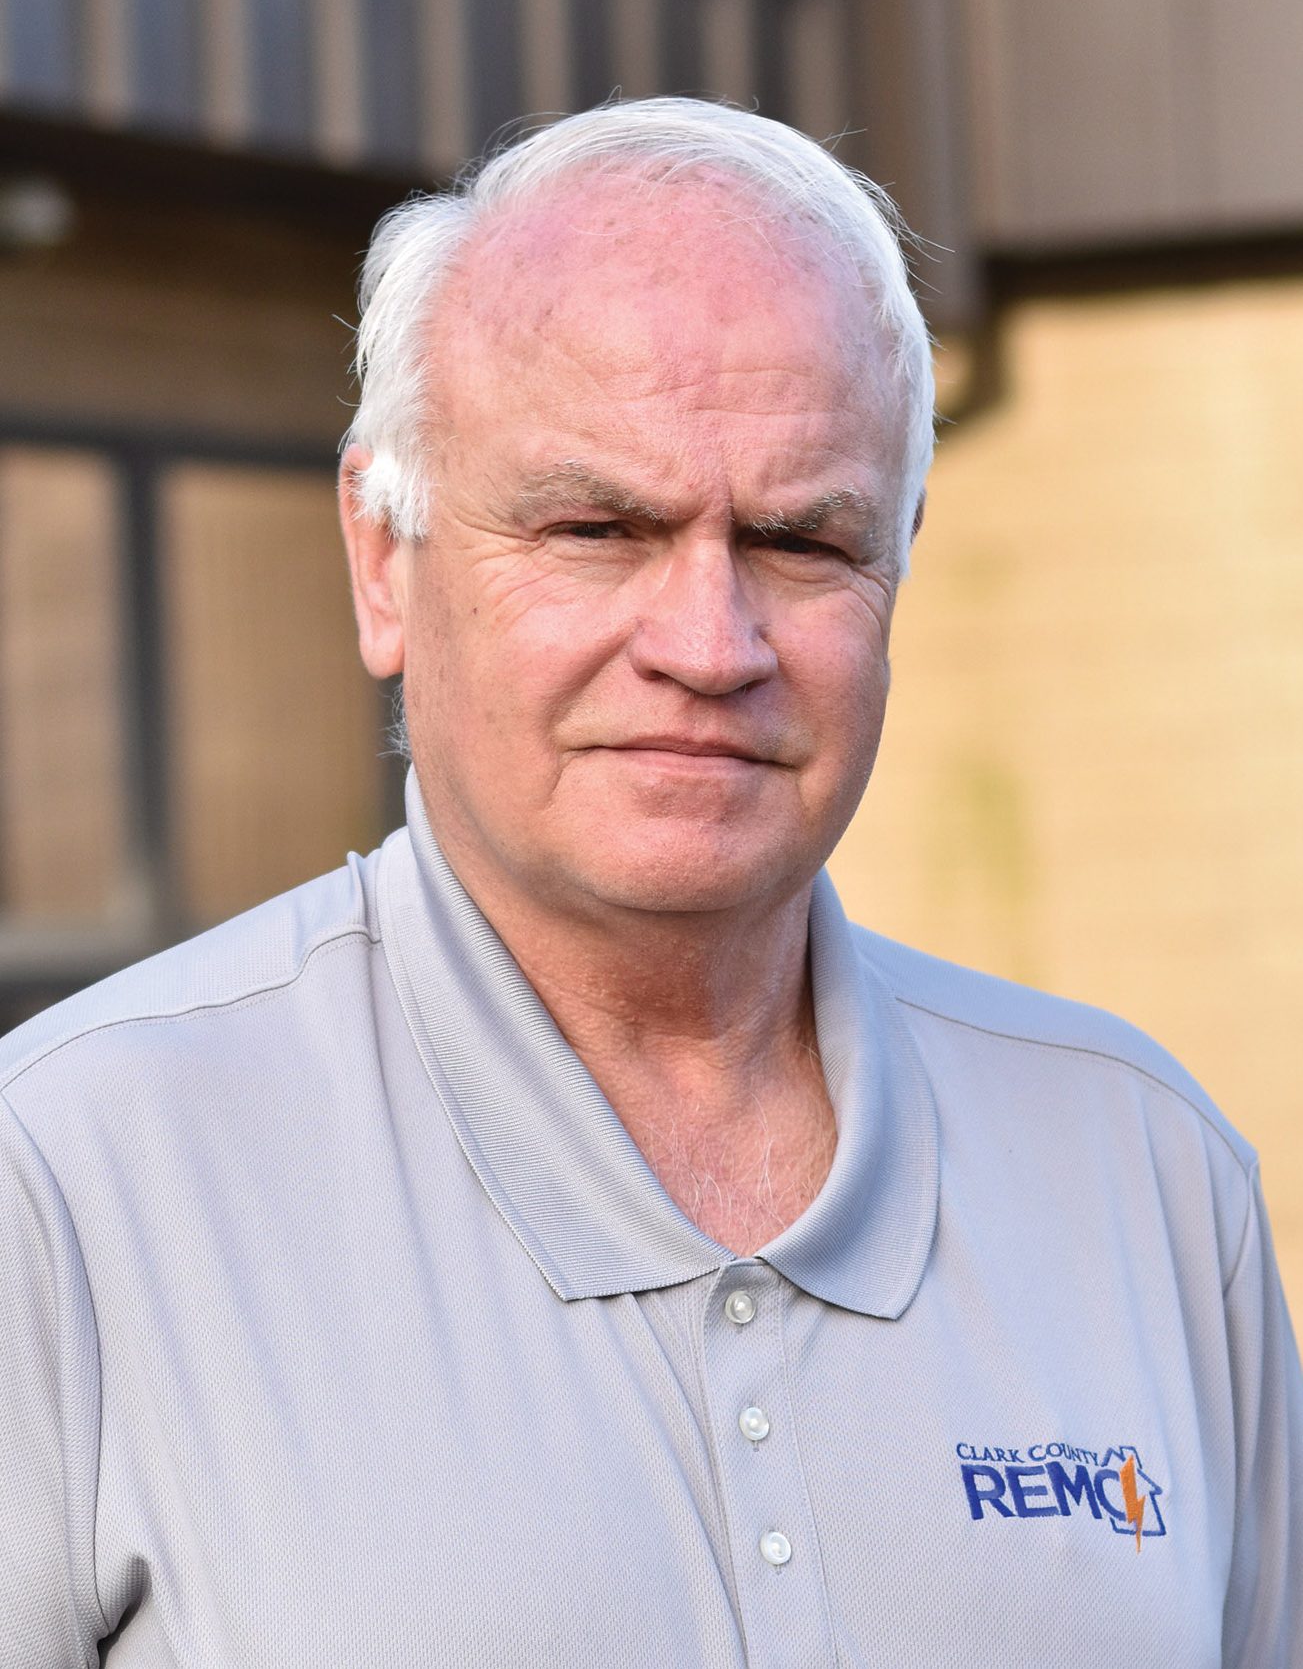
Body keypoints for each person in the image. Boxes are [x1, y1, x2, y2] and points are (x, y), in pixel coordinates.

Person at [1, 98, 1298, 1667]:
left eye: (802, 540)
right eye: (596, 526)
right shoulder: (62, 1192)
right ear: (381, 555)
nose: (709, 643)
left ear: (899, 561)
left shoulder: (1148, 1178)